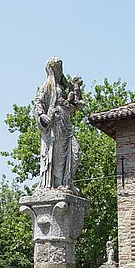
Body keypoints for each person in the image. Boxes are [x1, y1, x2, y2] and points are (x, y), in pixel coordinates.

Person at [33, 57, 84, 190]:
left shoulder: (64, 86)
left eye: (60, 67)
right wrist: (41, 115)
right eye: (56, 67)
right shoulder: (48, 86)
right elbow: (38, 102)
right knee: (58, 156)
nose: (59, 70)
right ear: (51, 69)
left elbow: (72, 103)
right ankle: (58, 183)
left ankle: (67, 182)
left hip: (65, 125)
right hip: (54, 126)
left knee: (75, 153)